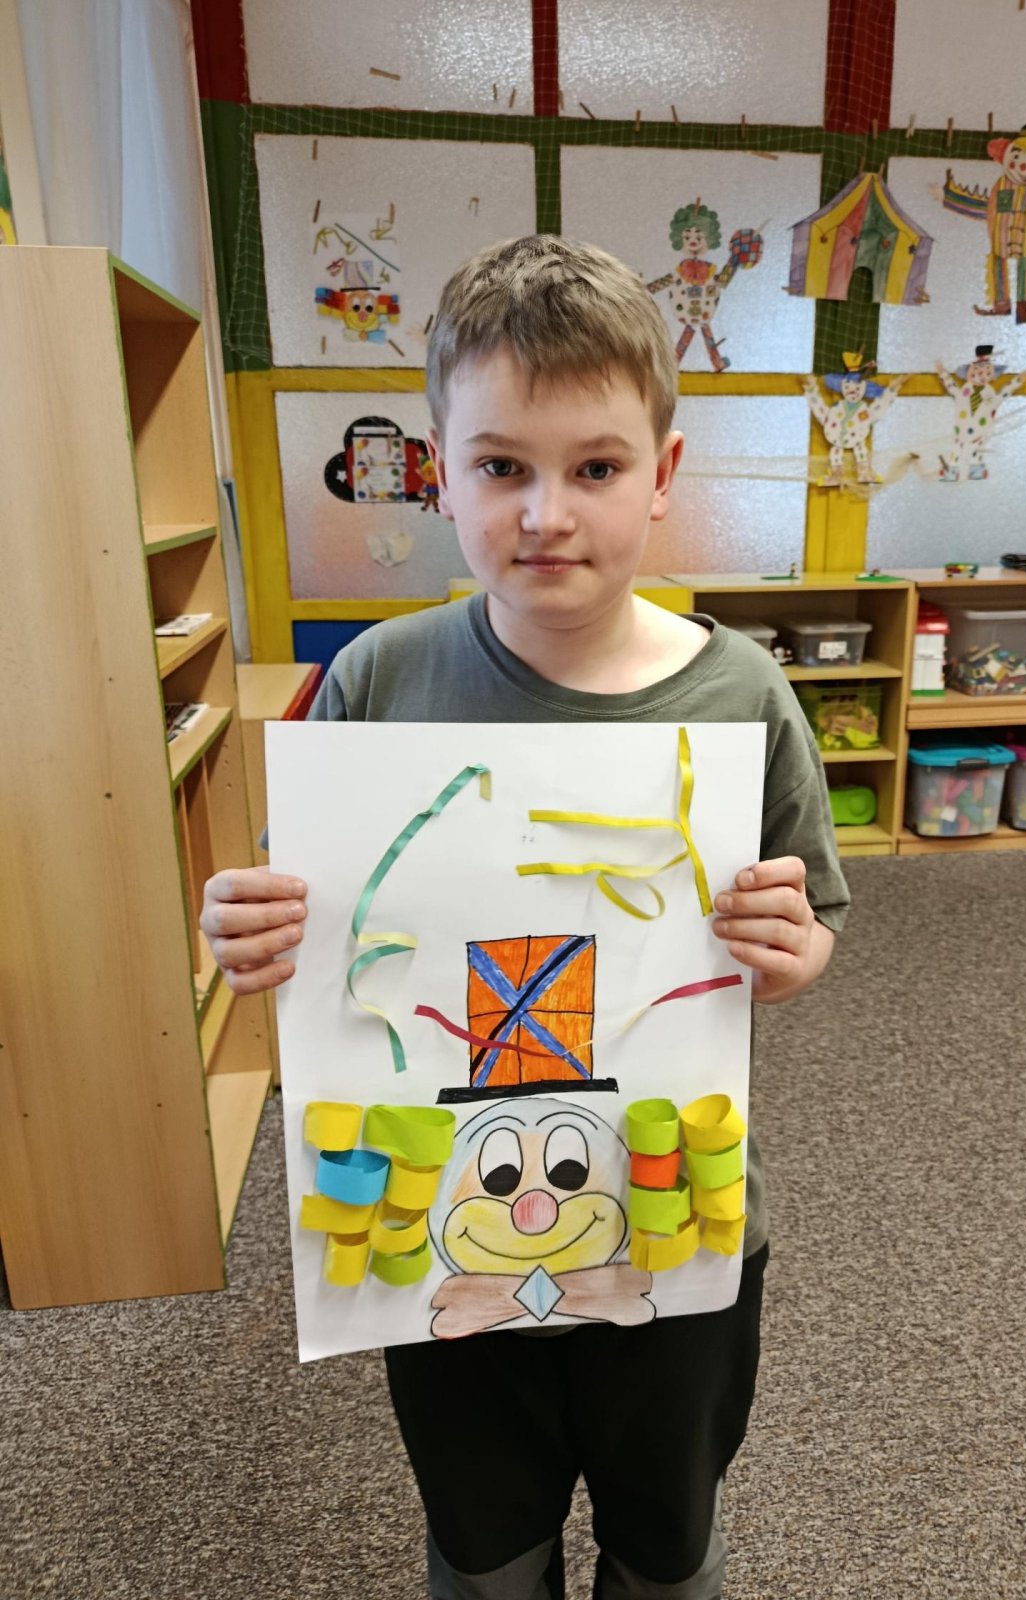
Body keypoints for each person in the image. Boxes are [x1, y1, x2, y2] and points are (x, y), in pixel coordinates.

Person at [200, 234, 850, 1600]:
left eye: (596, 468)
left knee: (668, 1538)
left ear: (662, 475)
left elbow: (807, 921)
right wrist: (254, 929)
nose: (547, 513)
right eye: (501, 466)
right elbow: (317, 918)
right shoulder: (377, 680)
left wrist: (794, 957)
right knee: (484, 1540)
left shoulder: (742, 696)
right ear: (439, 472)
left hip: (671, 1215)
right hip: (443, 1219)